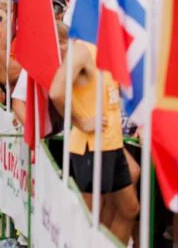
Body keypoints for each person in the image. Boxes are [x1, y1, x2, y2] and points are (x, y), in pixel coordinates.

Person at [50, 39, 139, 243]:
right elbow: (56, 91)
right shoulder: (84, 49)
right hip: (91, 147)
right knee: (88, 217)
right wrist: (82, 121)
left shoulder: (113, 50)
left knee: (130, 208)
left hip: (113, 144)